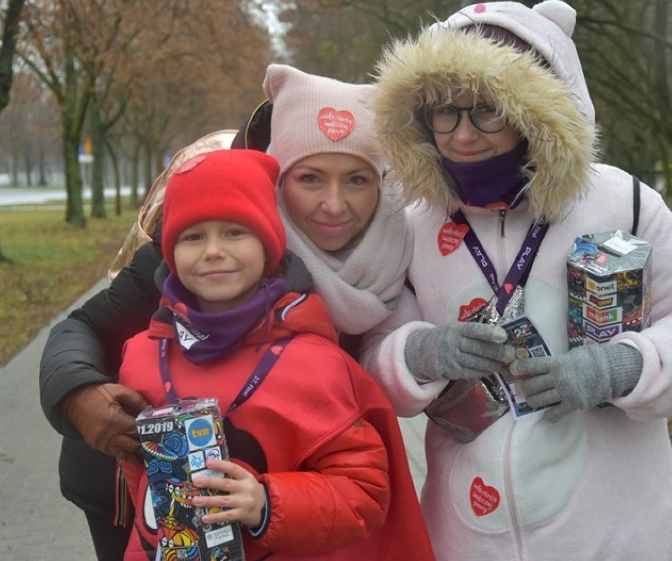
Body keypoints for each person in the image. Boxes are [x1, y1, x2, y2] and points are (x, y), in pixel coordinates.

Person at [360, 0, 672, 559]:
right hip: (465, 531)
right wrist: (423, 354)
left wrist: (619, 367)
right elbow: (370, 349)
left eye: (487, 109)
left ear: (536, 107)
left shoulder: (623, 201)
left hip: (609, 528)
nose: (462, 135)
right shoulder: (411, 221)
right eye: (445, 110)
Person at [38, 64, 415, 558]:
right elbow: (84, 326)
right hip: (135, 488)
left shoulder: (397, 251)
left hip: (289, 504)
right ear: (277, 180)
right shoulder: (207, 252)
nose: (333, 203)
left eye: (358, 179)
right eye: (309, 178)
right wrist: (79, 397)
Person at [117, 148, 430, 560]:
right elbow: (140, 481)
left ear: (269, 247)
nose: (212, 250)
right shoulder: (140, 355)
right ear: (171, 252)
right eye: (193, 237)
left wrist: (266, 503)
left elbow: (365, 493)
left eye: (234, 232)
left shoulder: (316, 364)